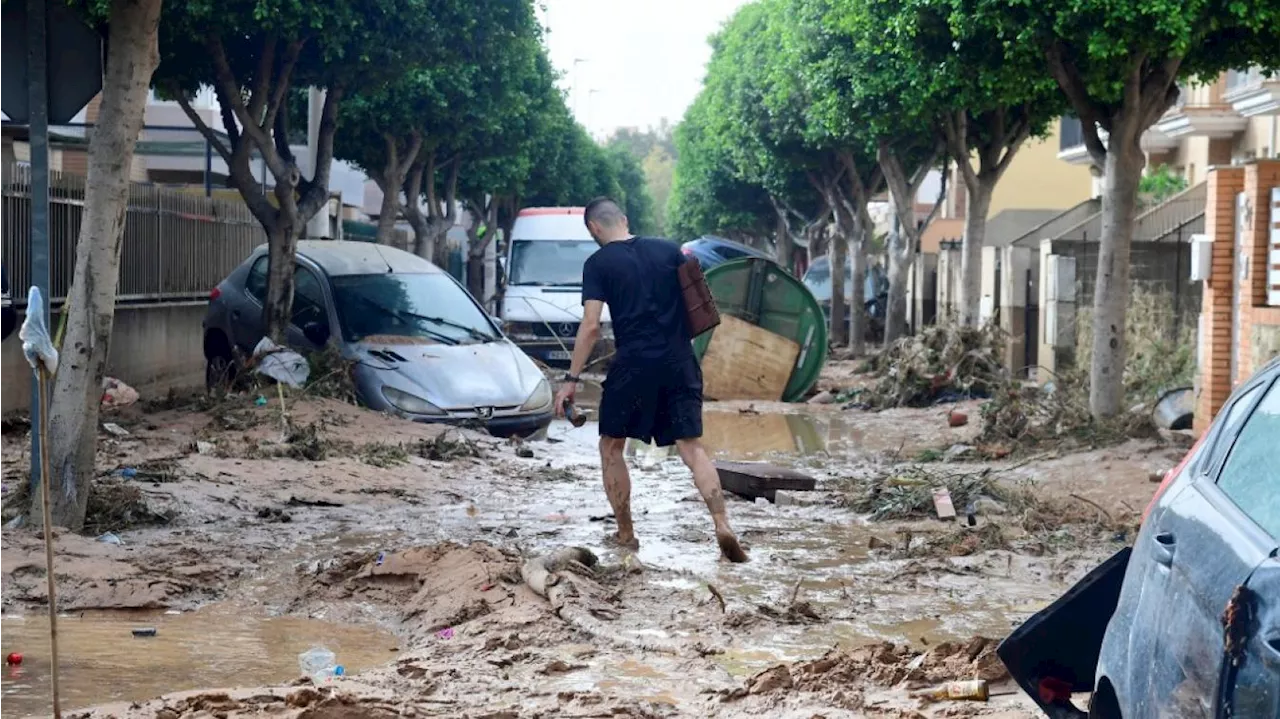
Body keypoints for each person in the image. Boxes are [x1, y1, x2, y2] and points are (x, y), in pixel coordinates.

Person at [554, 197, 748, 563]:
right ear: (624, 220)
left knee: (612, 446)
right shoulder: (669, 250)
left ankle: (626, 534)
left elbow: (591, 326)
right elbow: (699, 304)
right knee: (692, 448)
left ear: (594, 228)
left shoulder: (597, 263)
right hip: (679, 359)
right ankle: (722, 523)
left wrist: (571, 380)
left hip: (633, 365)